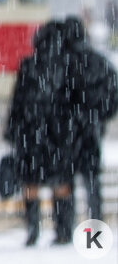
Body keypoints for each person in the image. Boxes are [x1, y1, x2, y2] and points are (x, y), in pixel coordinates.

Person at [4, 20, 76, 246]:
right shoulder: (66, 65)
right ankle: (63, 229)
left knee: (30, 184)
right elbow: (72, 103)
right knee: (61, 183)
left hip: (30, 133)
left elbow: (17, 101)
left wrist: (13, 131)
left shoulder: (28, 65)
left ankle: (33, 229)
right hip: (58, 134)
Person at [64, 16, 118, 221]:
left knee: (66, 180)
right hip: (91, 129)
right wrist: (100, 114)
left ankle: (65, 227)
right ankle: (95, 222)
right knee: (92, 180)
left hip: (66, 131)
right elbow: (113, 92)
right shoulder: (97, 60)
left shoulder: (63, 62)